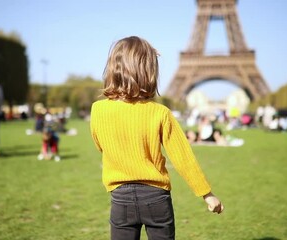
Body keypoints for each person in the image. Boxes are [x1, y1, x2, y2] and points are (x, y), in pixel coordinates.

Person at [90, 36, 223, 240]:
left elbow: (102, 146)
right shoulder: (160, 113)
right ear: (149, 72)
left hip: (120, 198)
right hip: (156, 197)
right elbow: (183, 157)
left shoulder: (98, 110)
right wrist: (207, 193)